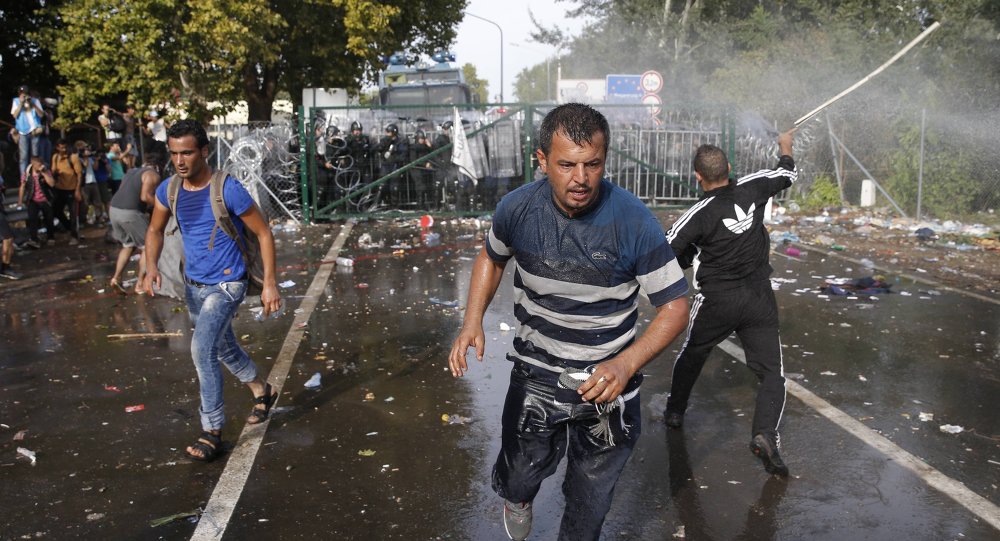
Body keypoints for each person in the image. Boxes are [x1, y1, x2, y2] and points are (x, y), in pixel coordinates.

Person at [448, 103, 690, 541]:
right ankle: (518, 497)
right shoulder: (517, 209)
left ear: (604, 161)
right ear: (542, 161)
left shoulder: (633, 221)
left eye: (591, 164)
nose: (580, 178)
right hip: (537, 372)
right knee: (521, 473)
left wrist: (626, 364)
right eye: (566, 165)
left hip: (610, 385)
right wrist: (472, 322)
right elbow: (491, 256)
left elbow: (675, 305)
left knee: (590, 499)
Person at [143, 119, 281, 462]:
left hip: (227, 283)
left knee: (201, 349)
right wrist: (150, 268)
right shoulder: (169, 189)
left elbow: (264, 233)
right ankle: (262, 390)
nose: (179, 160)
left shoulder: (228, 189)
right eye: (174, 153)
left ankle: (212, 430)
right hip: (194, 286)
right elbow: (154, 231)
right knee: (221, 347)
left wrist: (270, 284)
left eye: (187, 152)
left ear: (204, 151)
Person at [663, 129, 798, 477]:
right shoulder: (753, 187)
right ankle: (765, 434)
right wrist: (785, 145)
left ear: (698, 177)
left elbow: (667, 253)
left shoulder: (698, 214)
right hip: (758, 298)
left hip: (716, 301)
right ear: (730, 167)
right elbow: (786, 173)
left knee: (693, 353)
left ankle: (675, 411)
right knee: (772, 373)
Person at [109, 153, 162, 294]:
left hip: (114, 209)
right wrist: (161, 206)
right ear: (157, 166)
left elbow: (123, 189)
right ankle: (140, 284)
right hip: (130, 212)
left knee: (127, 246)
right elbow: (145, 196)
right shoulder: (153, 175)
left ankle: (116, 278)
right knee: (147, 247)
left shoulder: (132, 171)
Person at [49, 139, 83, 244]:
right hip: (59, 189)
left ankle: (74, 236)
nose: (63, 149)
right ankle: (69, 228)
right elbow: (53, 171)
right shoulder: (55, 157)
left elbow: (79, 174)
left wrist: (77, 190)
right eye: (60, 147)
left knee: (73, 214)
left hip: (71, 189)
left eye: (64, 147)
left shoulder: (73, 157)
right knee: (56, 211)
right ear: (57, 147)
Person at [18, 154, 56, 247]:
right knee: (32, 219)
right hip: (33, 199)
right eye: (38, 164)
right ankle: (34, 239)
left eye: (41, 163)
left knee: (49, 219)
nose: (40, 165)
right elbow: (22, 186)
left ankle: (51, 237)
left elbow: (52, 184)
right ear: (33, 164)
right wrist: (20, 201)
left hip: (45, 199)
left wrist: (44, 173)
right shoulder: (27, 173)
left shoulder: (46, 171)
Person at [11, 85, 45, 177]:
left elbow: (41, 115)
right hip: (22, 131)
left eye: (25, 94)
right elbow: (14, 115)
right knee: (23, 157)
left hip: (34, 130)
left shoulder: (35, 101)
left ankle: (36, 175)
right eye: (22, 94)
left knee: (35, 155)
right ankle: (24, 177)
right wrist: (21, 104)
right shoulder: (16, 101)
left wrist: (33, 104)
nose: (24, 95)